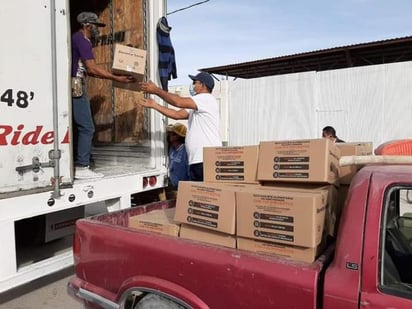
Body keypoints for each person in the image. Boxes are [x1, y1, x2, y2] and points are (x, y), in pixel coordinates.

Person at [72, 12, 135, 179]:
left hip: (78, 83)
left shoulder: (79, 40)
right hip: (76, 85)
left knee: (82, 127)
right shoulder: (82, 41)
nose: (97, 30)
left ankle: (82, 162)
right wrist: (116, 77)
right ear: (87, 25)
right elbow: (92, 68)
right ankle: (82, 166)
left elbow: (89, 71)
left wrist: (111, 76)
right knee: (87, 127)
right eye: (95, 26)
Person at [139, 72, 221, 181]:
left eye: (194, 82)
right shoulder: (197, 106)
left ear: (203, 85)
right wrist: (155, 105)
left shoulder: (205, 99)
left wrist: (156, 90)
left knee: (206, 195)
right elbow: (176, 115)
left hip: (205, 160)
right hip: (198, 160)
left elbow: (178, 102)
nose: (192, 86)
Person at [166, 123, 190, 194]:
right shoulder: (171, 149)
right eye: (170, 133)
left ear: (180, 136)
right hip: (173, 184)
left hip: (183, 186)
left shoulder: (185, 150)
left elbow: (189, 170)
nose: (170, 135)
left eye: (173, 134)